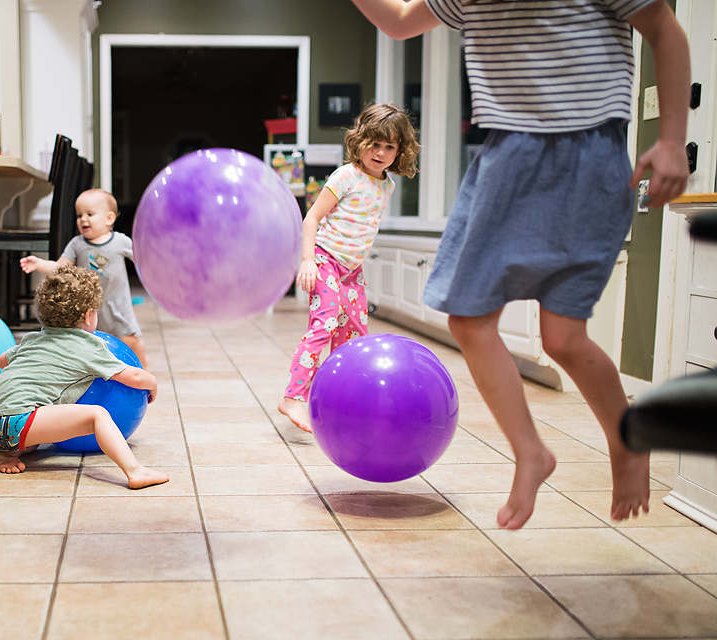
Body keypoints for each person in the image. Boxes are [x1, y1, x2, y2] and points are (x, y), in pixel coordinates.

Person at [350, 0, 690, 529]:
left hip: (587, 159)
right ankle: (531, 451)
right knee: (468, 319)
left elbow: (666, 32)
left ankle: (628, 440)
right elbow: (397, 22)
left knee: (563, 338)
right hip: (506, 160)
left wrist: (671, 141)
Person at [278, 102, 420, 433]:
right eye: (375, 143)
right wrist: (308, 260)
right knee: (326, 321)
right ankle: (293, 396)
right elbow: (312, 217)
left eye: (390, 146)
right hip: (325, 259)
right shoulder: (346, 176)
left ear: (399, 150)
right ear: (361, 140)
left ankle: (339, 400)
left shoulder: (387, 185)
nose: (381, 152)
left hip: (352, 271)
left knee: (353, 337)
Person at [0, 264, 169, 488]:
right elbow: (134, 377)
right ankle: (135, 471)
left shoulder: (32, 339)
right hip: (17, 421)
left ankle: (2, 451)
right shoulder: (88, 345)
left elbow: (2, 361)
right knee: (97, 415)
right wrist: (153, 383)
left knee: (35, 439)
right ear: (89, 316)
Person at [20, 188, 149, 369]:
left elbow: (143, 260)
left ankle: (144, 372)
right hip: (87, 307)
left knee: (130, 340)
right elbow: (60, 267)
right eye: (79, 215)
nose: (83, 219)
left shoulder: (120, 242)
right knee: (91, 344)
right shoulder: (77, 244)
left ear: (109, 219)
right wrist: (39, 264)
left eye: (90, 214)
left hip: (117, 306)